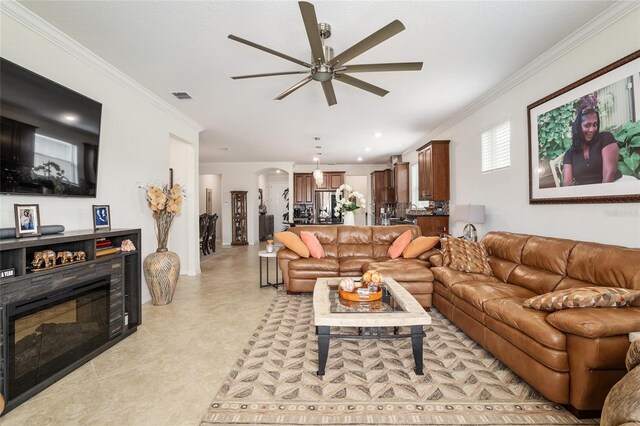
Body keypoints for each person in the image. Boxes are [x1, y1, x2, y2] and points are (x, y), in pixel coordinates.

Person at [562, 100, 622, 186]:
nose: (592, 129)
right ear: (578, 127)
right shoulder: (570, 153)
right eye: (587, 125)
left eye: (595, 124)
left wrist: (600, 198)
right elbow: (567, 183)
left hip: (611, 188)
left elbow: (609, 176)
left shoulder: (606, 138)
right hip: (588, 194)